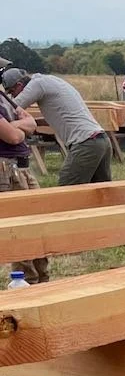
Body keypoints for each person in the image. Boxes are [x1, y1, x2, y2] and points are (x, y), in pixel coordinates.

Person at [2, 67, 112, 187]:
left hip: (86, 143)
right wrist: (31, 124)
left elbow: (10, 109)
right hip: (101, 140)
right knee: (102, 192)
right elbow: (59, 117)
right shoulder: (51, 81)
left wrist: (17, 125)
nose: (12, 96)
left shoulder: (37, 85)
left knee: (66, 190)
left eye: (12, 92)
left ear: (19, 85)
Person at [0, 90, 49, 282]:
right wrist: (20, 128)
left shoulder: (3, 97)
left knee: (38, 224)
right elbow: (12, 137)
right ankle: (26, 282)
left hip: (22, 167)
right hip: (7, 169)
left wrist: (15, 126)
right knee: (19, 229)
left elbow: (32, 123)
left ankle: (42, 279)